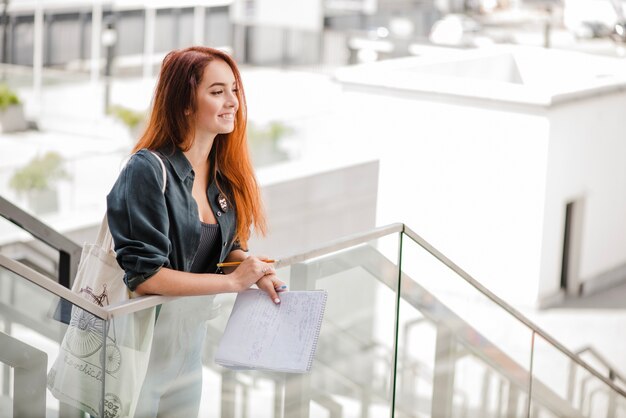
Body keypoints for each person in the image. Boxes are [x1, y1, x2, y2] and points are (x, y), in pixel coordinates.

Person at [106, 46, 285, 418]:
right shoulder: (147, 170)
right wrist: (234, 283)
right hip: (139, 354)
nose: (232, 102)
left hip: (188, 356)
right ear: (185, 103)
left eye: (234, 90)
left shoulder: (224, 176)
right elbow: (145, 276)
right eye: (217, 92)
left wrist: (251, 268)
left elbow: (225, 247)